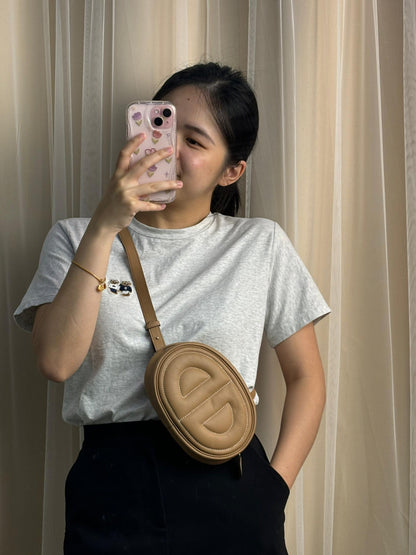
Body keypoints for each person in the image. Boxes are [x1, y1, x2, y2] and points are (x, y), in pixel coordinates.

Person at [14, 62, 330, 554]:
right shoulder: (75, 237)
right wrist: (105, 225)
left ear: (231, 171)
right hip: (111, 490)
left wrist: (274, 488)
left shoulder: (260, 244)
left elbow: (306, 377)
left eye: (194, 140)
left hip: (232, 484)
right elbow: (55, 362)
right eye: (161, 126)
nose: (167, 149)